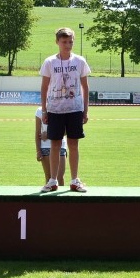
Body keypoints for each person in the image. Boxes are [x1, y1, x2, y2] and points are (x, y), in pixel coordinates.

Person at [39, 27, 91, 192]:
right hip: (55, 109)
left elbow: (85, 87)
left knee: (73, 144)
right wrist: (45, 111)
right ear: (57, 42)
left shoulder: (80, 61)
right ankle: (52, 180)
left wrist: (85, 110)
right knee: (55, 144)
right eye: (64, 42)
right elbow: (44, 88)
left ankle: (75, 180)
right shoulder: (49, 62)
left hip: (75, 109)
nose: (67, 45)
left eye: (70, 42)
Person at [35, 106, 66, 188]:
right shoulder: (40, 110)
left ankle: (61, 201)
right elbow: (37, 133)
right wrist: (38, 151)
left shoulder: (63, 108)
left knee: (60, 178)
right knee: (49, 179)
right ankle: (49, 200)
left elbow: (67, 131)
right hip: (45, 146)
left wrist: (48, 135)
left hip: (60, 146)